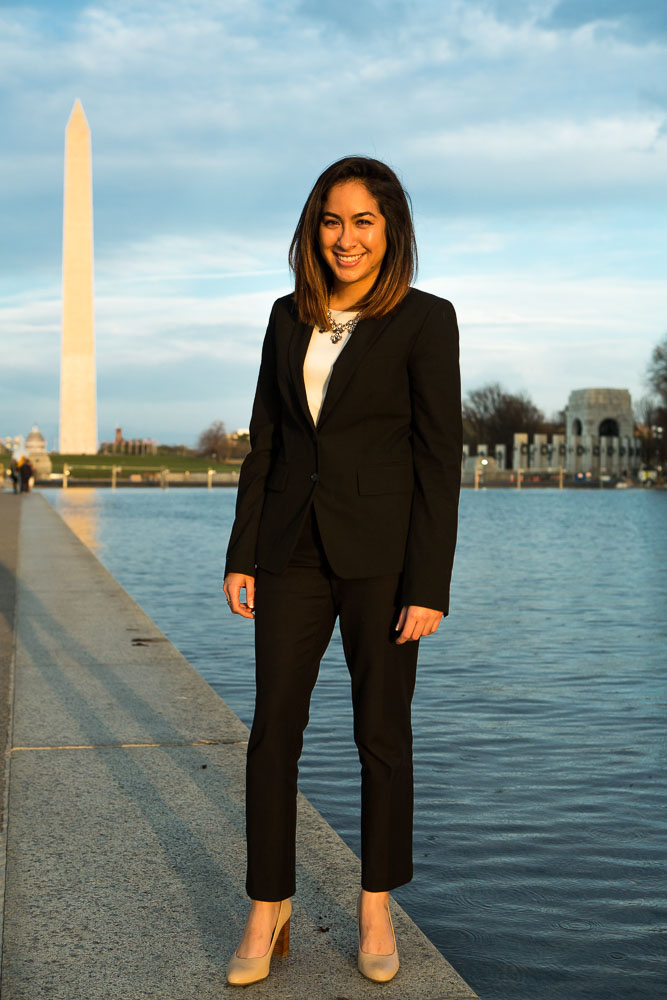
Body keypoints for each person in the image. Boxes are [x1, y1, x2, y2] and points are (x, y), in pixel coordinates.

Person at [223, 156, 462, 987]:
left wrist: (429, 584)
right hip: (290, 550)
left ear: (389, 228)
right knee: (271, 734)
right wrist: (242, 551)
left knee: (380, 737)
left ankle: (374, 906)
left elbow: (438, 461)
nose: (345, 237)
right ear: (312, 228)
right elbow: (268, 445)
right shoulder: (286, 317)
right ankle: (267, 907)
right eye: (331, 219)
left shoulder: (425, 321)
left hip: (384, 563)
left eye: (362, 220)